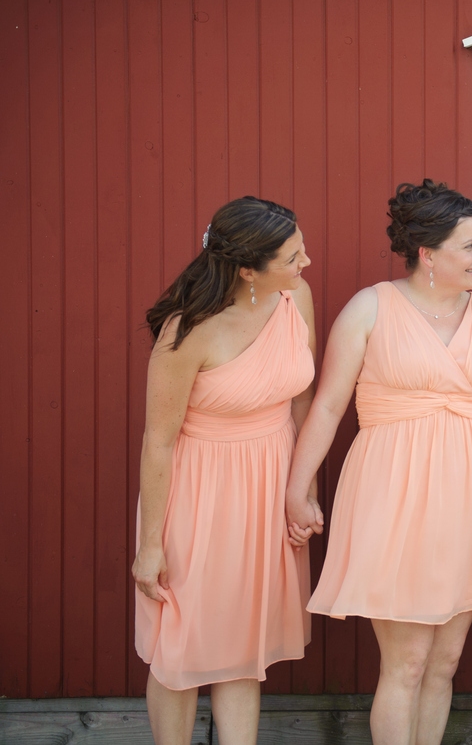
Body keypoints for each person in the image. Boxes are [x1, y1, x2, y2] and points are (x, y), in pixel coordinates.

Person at [284, 180, 472, 745]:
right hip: (393, 495)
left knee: (444, 663)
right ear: (428, 253)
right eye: (470, 245)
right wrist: (298, 486)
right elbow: (328, 406)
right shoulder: (370, 308)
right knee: (404, 664)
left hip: (469, 501)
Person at [133, 197, 315, 744]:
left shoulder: (294, 296)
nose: (306, 263)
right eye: (292, 256)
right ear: (245, 268)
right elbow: (158, 442)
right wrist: (150, 545)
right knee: (179, 648)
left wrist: (298, 489)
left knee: (242, 643)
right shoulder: (186, 332)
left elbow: (301, 398)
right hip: (199, 495)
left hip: (269, 484)